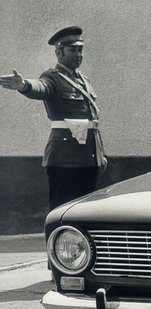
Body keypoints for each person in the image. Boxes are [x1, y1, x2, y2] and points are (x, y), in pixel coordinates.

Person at [0, 26, 106, 210]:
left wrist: (100, 154)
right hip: (65, 160)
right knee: (61, 210)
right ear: (59, 52)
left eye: (80, 50)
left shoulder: (84, 80)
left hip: (88, 159)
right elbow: (41, 87)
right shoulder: (52, 78)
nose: (78, 55)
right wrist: (24, 85)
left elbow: (93, 122)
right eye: (72, 50)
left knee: (84, 212)